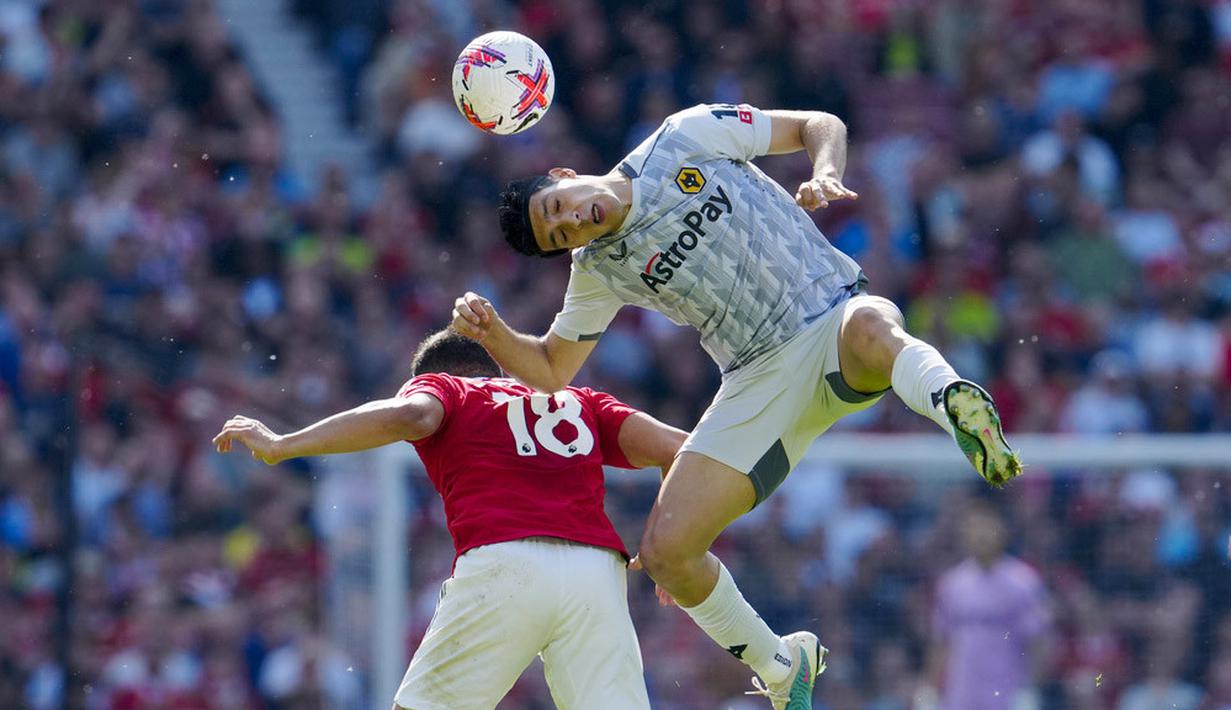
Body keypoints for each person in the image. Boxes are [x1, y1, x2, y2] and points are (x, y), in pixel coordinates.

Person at [450, 102, 1022, 708]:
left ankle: (954, 404)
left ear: (564, 176)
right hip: (757, 381)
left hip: (830, 314)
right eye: (563, 235)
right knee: (666, 553)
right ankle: (784, 666)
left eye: (557, 207)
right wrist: (494, 335)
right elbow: (552, 369)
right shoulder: (598, 268)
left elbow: (817, 125)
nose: (572, 222)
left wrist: (825, 171)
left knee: (872, 325)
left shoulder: (683, 137)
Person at [212, 329, 687, 710]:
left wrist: (284, 444)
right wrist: (674, 548)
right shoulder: (581, 400)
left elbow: (412, 416)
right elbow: (681, 450)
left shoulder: (448, 388)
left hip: (507, 562)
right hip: (598, 576)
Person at [922, 501, 1050, 710]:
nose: (980, 534)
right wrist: (930, 690)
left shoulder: (1023, 582)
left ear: (1002, 530)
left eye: (986, 526)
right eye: (973, 527)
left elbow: (1038, 644)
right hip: (961, 698)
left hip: (1007, 696)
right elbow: (941, 643)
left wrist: (1029, 690)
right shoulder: (952, 584)